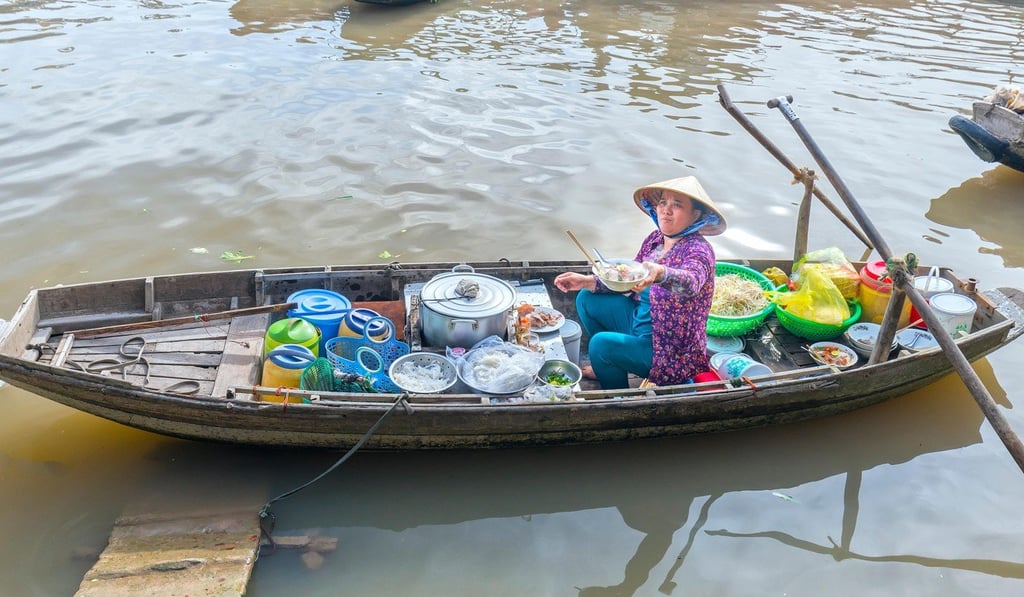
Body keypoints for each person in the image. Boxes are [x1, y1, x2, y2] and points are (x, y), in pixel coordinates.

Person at [553, 176, 727, 389]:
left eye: (677, 205)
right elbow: (629, 280)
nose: (666, 210)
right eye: (663, 203)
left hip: (671, 351)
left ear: (696, 215)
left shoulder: (699, 251)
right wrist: (587, 281)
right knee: (587, 298)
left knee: (600, 345)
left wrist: (660, 272)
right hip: (640, 324)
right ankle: (610, 367)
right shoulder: (655, 239)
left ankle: (618, 398)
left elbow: (691, 282)